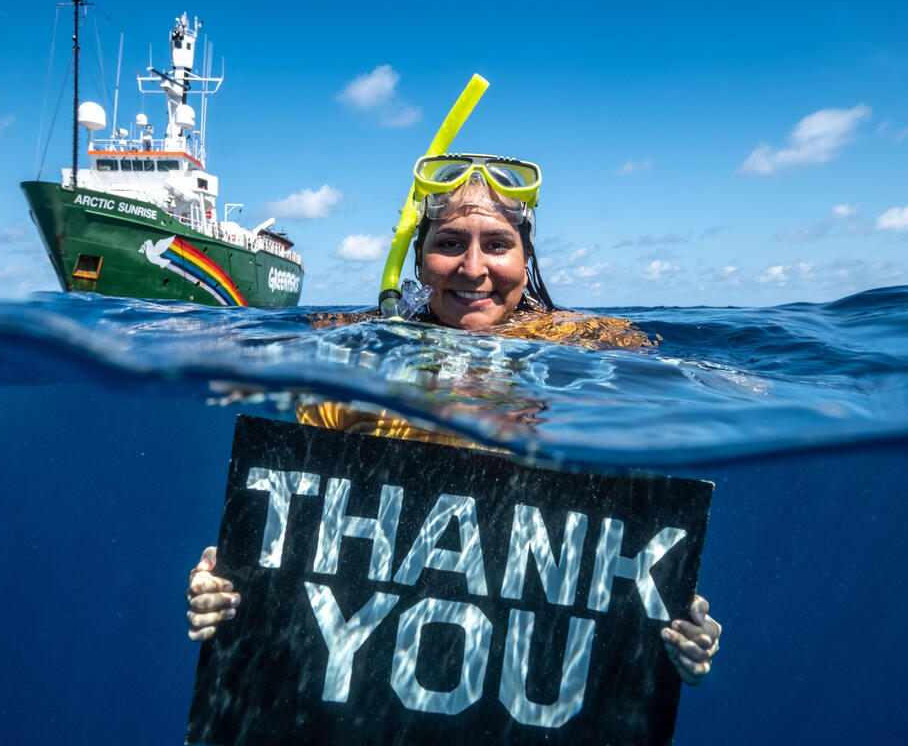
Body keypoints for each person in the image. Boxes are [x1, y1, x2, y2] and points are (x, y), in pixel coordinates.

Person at [187, 153, 722, 685]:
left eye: (497, 245)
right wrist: (241, 571)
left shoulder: (597, 345)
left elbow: (613, 520)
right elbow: (297, 515)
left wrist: (655, 607)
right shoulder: (346, 346)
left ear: (526, 257)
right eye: (449, 243)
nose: (473, 268)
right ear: (418, 259)